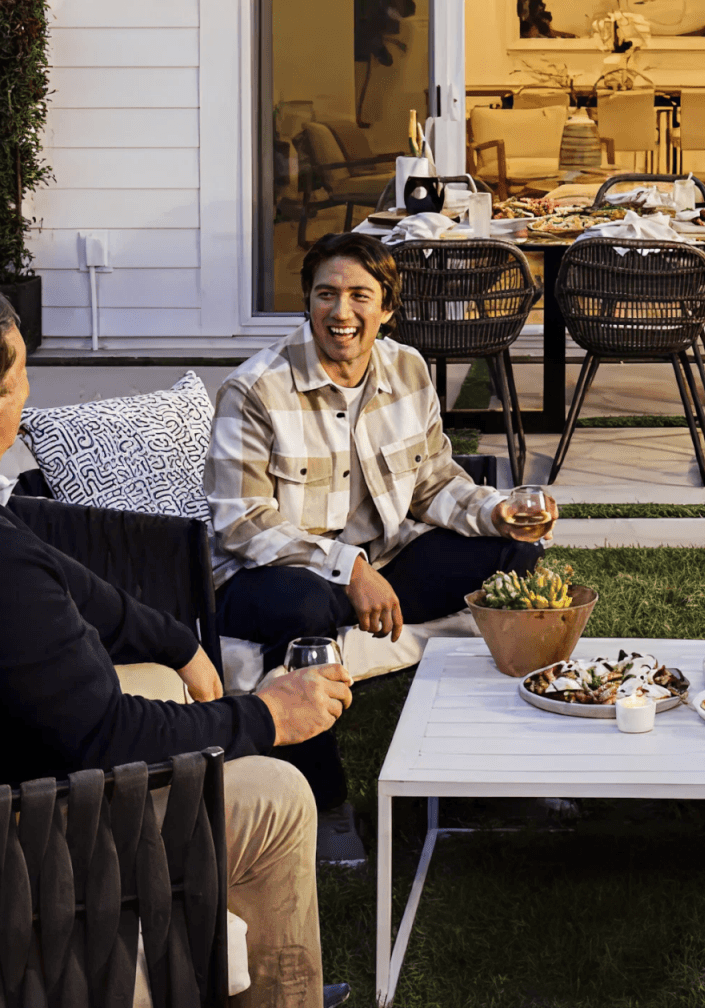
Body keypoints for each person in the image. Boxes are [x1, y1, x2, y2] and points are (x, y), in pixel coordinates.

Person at [0, 282, 354, 1008]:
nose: (26, 391)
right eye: (20, 375)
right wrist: (268, 716)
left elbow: (58, 575)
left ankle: (204, 964)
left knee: (161, 680)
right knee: (276, 795)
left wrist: (177, 643)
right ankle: (277, 998)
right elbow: (105, 737)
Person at [207, 231, 549, 865]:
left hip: (386, 562)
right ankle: (324, 799)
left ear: (387, 307)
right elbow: (240, 521)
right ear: (306, 304)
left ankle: (496, 769)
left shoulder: (407, 368)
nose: (342, 312)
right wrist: (349, 569)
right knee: (304, 615)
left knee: (514, 560)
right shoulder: (255, 390)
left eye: (359, 295)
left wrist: (496, 512)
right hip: (270, 576)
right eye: (326, 295)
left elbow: (434, 483)